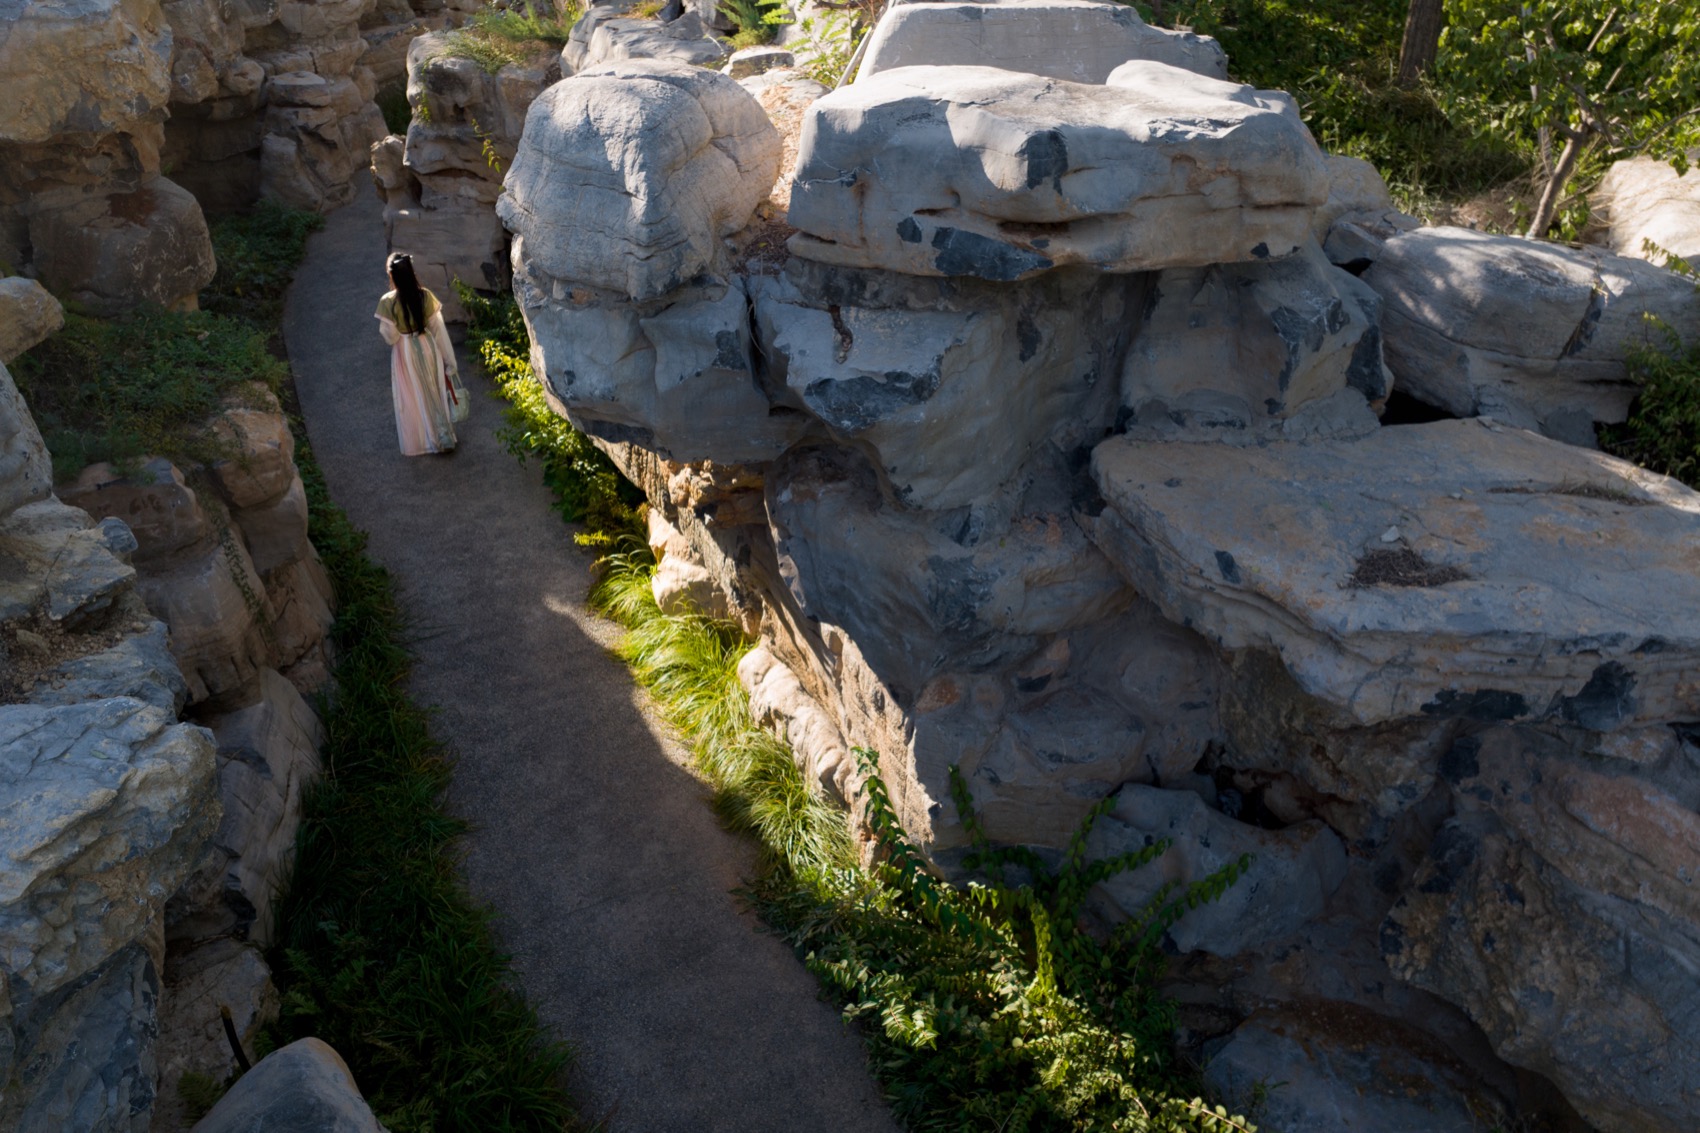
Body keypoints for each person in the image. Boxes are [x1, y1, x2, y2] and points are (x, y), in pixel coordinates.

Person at [374, 253, 470, 455]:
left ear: (392, 276)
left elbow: (390, 336)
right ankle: (443, 436)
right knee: (435, 390)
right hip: (429, 347)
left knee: (413, 396)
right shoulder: (425, 296)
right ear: (411, 272)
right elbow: (439, 331)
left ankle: (423, 441)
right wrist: (450, 362)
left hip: (405, 352)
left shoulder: (388, 302)